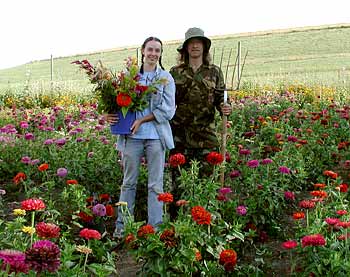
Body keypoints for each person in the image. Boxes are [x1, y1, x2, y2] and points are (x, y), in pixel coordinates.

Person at [106, 37, 176, 238]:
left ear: (161, 54)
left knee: (155, 184)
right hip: (132, 137)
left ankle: (154, 228)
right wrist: (109, 114)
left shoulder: (166, 78)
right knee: (129, 182)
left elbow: (168, 110)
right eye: (150, 49)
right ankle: (123, 227)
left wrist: (143, 120)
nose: (153, 53)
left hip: (155, 137)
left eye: (157, 50)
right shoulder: (130, 77)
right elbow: (117, 102)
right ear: (143, 51)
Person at [169, 27, 232, 216]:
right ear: (186, 48)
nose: (195, 46)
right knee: (179, 182)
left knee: (208, 182)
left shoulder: (214, 72)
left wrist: (226, 108)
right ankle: (176, 222)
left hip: (206, 136)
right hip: (180, 136)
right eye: (191, 43)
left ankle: (205, 219)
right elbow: (166, 102)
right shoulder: (175, 73)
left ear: (204, 47)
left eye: (199, 42)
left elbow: (223, 99)